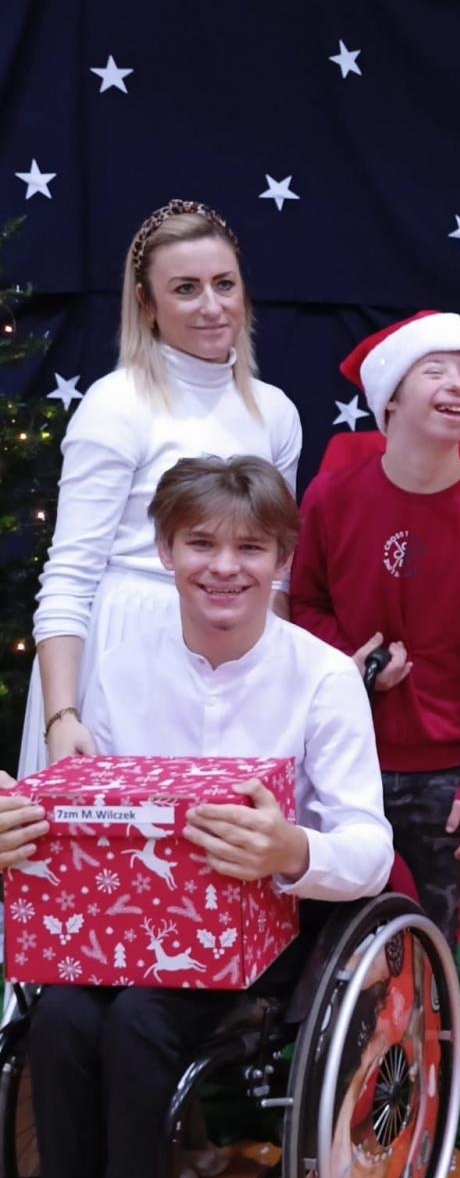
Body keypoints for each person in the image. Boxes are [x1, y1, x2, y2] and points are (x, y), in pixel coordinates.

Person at [2, 455, 393, 1178]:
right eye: (201, 544)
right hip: (127, 923)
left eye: (249, 548)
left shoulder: (325, 678)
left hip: (272, 930)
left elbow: (370, 850)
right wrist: (28, 824)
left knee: (142, 1020)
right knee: (59, 1018)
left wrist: (292, 850)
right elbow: (99, 819)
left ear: (282, 559)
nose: (224, 568)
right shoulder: (121, 665)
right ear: (165, 552)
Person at [22, 200, 302, 778]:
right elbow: (70, 575)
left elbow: (276, 571)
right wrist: (62, 715)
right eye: (185, 288)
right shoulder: (116, 405)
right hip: (121, 655)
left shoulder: (275, 412)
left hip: (237, 654)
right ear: (147, 304)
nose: (211, 305)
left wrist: (273, 678)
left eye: (224, 284)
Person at [291, 311, 460, 951]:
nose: (459, 386)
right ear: (391, 396)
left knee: (422, 948)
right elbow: (302, 607)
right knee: (324, 941)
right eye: (436, 370)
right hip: (341, 757)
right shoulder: (330, 499)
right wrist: (354, 658)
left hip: (443, 775)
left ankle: (420, 1053)